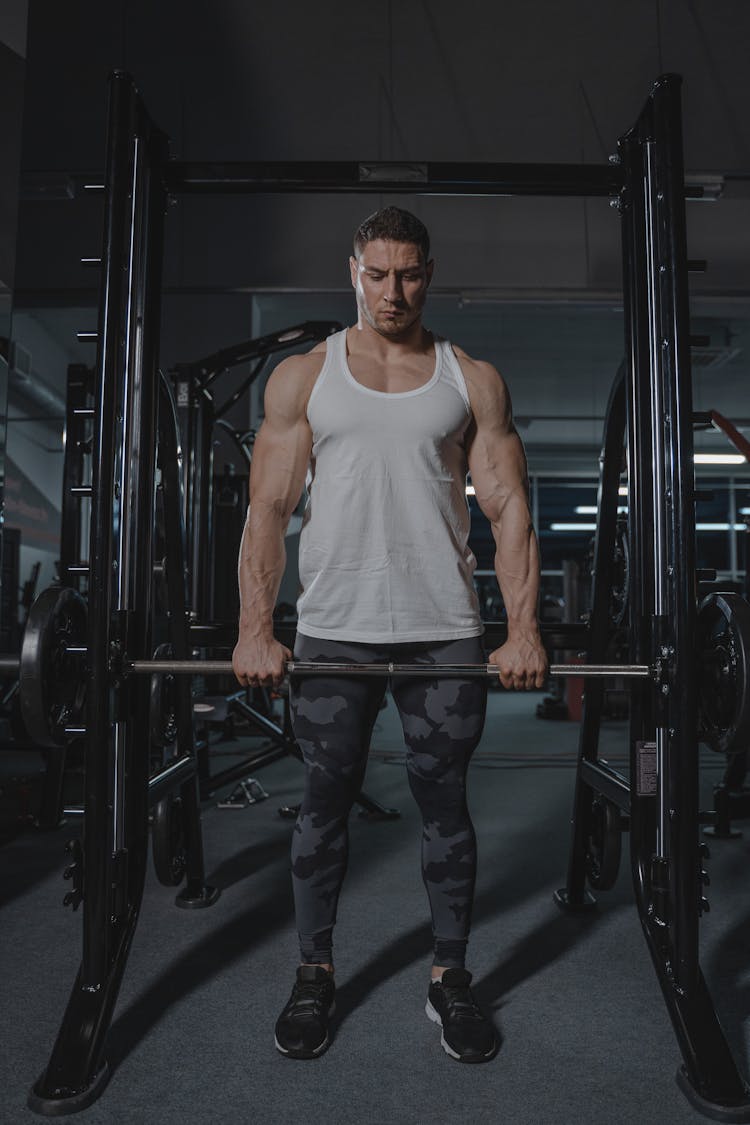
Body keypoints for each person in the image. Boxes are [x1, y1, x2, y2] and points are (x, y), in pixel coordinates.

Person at [232, 206, 548, 1064]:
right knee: (323, 807)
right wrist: (256, 629)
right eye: (377, 274)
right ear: (353, 272)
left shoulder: (469, 378)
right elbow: (266, 508)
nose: (393, 291)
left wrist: (522, 630)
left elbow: (510, 509)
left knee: (445, 809)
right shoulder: (306, 376)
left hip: (443, 630)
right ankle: (313, 972)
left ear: (429, 274)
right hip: (334, 631)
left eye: (408, 274)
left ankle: (451, 977)